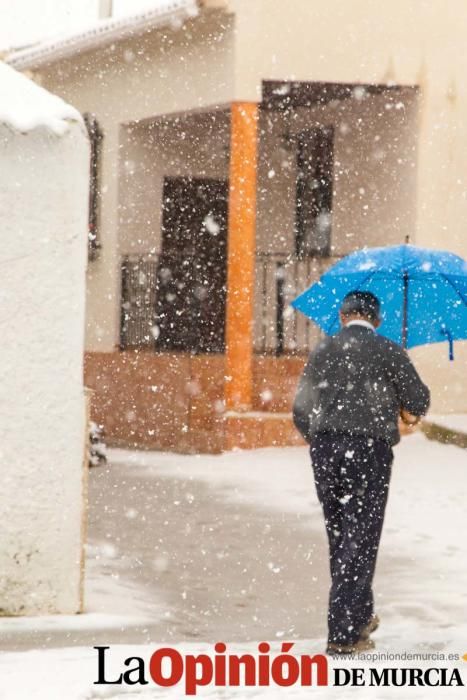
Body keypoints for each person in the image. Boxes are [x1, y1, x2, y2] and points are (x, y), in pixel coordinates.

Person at [293, 290, 430, 655]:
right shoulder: (388, 350)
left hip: (325, 451)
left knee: (340, 535)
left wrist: (321, 440)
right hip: (370, 452)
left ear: (342, 317)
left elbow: (300, 410)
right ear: (377, 320)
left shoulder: (322, 351)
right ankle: (343, 634)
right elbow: (419, 401)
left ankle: (360, 614)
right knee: (361, 536)